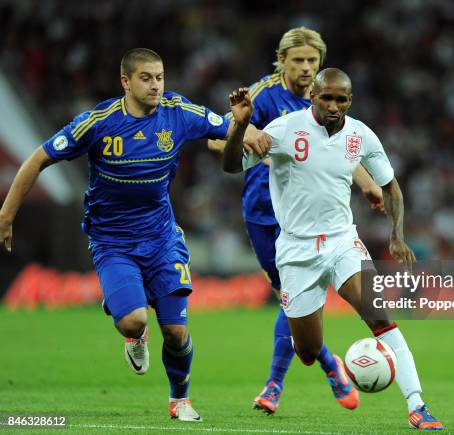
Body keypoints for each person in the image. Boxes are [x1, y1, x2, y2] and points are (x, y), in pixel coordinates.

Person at [0, 48, 265, 422]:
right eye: (146, 78)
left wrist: (245, 127)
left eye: (159, 77)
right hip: (112, 243)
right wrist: (6, 215)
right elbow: (39, 158)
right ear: (126, 81)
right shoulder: (98, 122)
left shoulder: (178, 112)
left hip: (161, 239)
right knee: (135, 320)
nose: (156, 84)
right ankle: (134, 337)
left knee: (175, 331)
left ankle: (180, 401)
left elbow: (235, 130)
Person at [223, 69, 444, 430]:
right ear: (313, 95)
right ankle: (331, 363)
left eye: (341, 99)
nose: (333, 105)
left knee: (380, 317)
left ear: (350, 101)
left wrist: (397, 235)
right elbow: (231, 165)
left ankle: (418, 406)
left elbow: (391, 187)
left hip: (342, 242)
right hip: (296, 250)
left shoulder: (360, 135)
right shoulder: (284, 129)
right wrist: (240, 127)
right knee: (308, 352)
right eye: (326, 97)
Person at [209, 27, 384, 415]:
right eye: (298, 60)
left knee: (290, 301)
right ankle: (330, 365)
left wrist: (369, 183)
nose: (306, 68)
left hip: (318, 221)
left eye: (312, 61)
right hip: (264, 214)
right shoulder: (262, 94)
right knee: (290, 301)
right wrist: (251, 133)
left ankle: (274, 385)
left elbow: (342, 151)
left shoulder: (328, 97)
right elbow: (215, 138)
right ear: (282, 61)